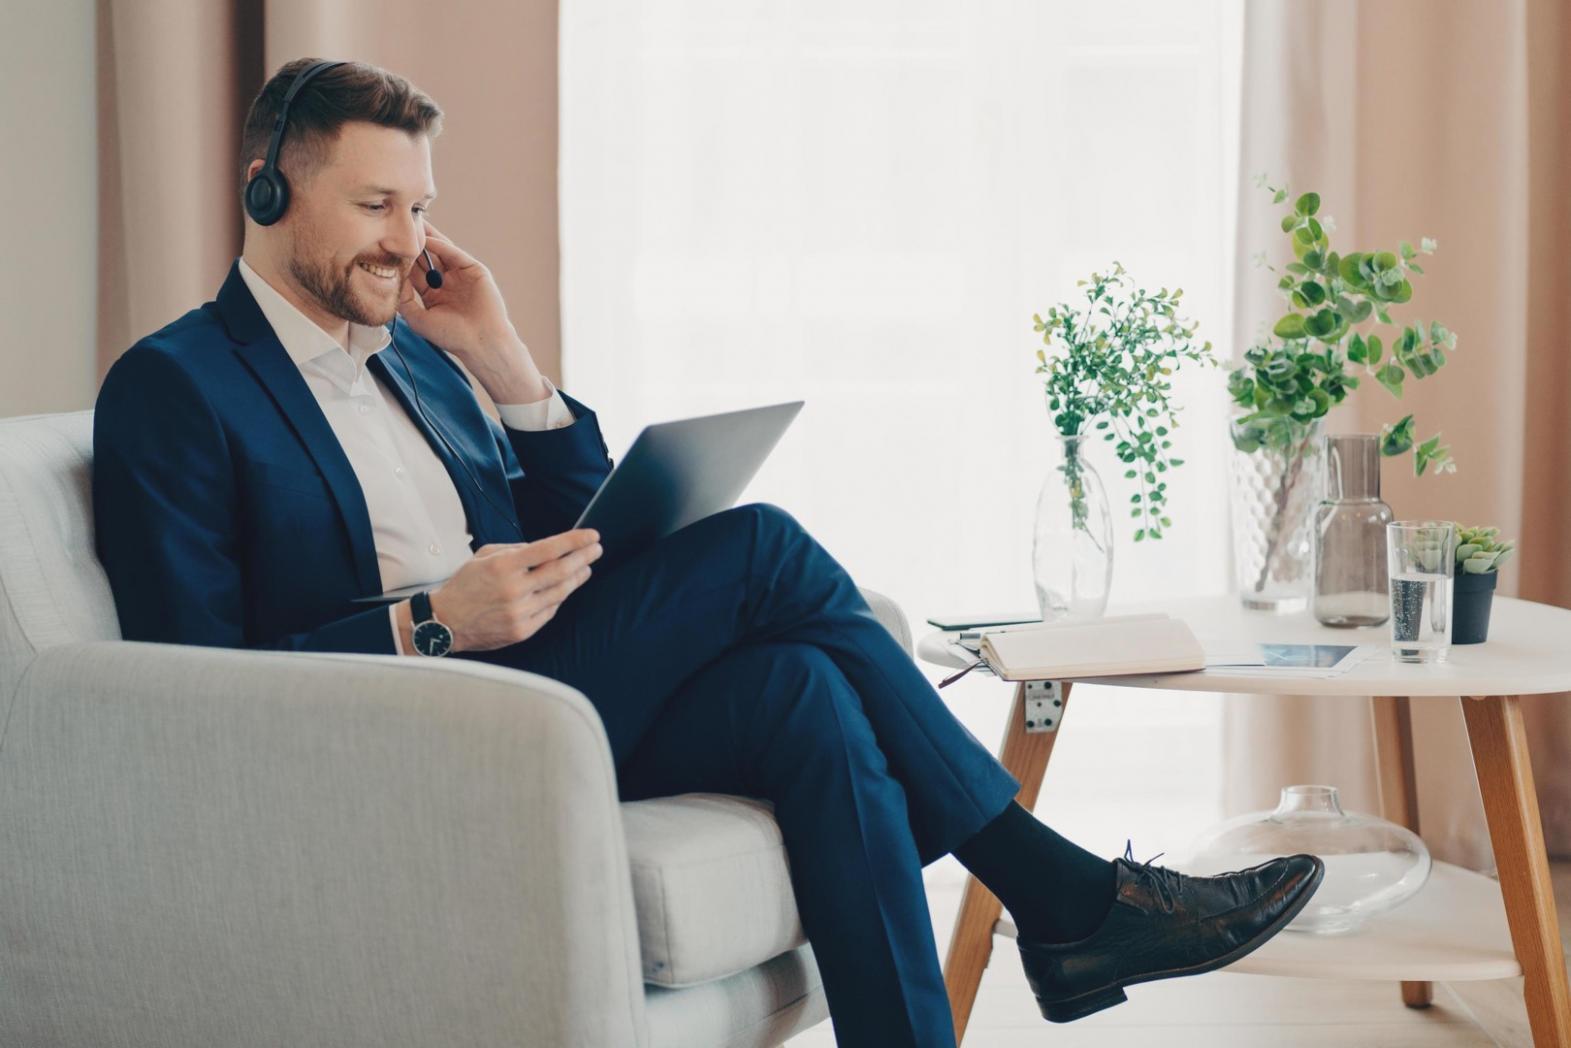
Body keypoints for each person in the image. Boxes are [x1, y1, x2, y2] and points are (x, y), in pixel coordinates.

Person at [91, 58, 1324, 1046]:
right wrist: (431, 621)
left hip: (528, 693)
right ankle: (1061, 897)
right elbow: (188, 677)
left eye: (418, 207)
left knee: (807, 694)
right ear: (266, 189)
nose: (405, 241)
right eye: (373, 205)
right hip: (402, 727)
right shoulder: (176, 386)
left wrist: (508, 362)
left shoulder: (419, 355)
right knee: (763, 550)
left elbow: (578, 525)